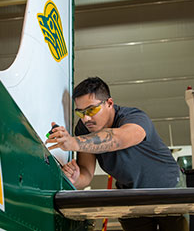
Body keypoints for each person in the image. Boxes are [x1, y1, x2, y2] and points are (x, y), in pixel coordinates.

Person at [46, 76, 188, 231]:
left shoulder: (135, 118)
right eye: (80, 113)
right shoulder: (83, 129)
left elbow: (118, 139)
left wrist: (74, 142)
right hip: (130, 194)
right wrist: (75, 178)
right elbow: (86, 175)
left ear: (109, 103)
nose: (86, 118)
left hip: (167, 188)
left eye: (92, 110)